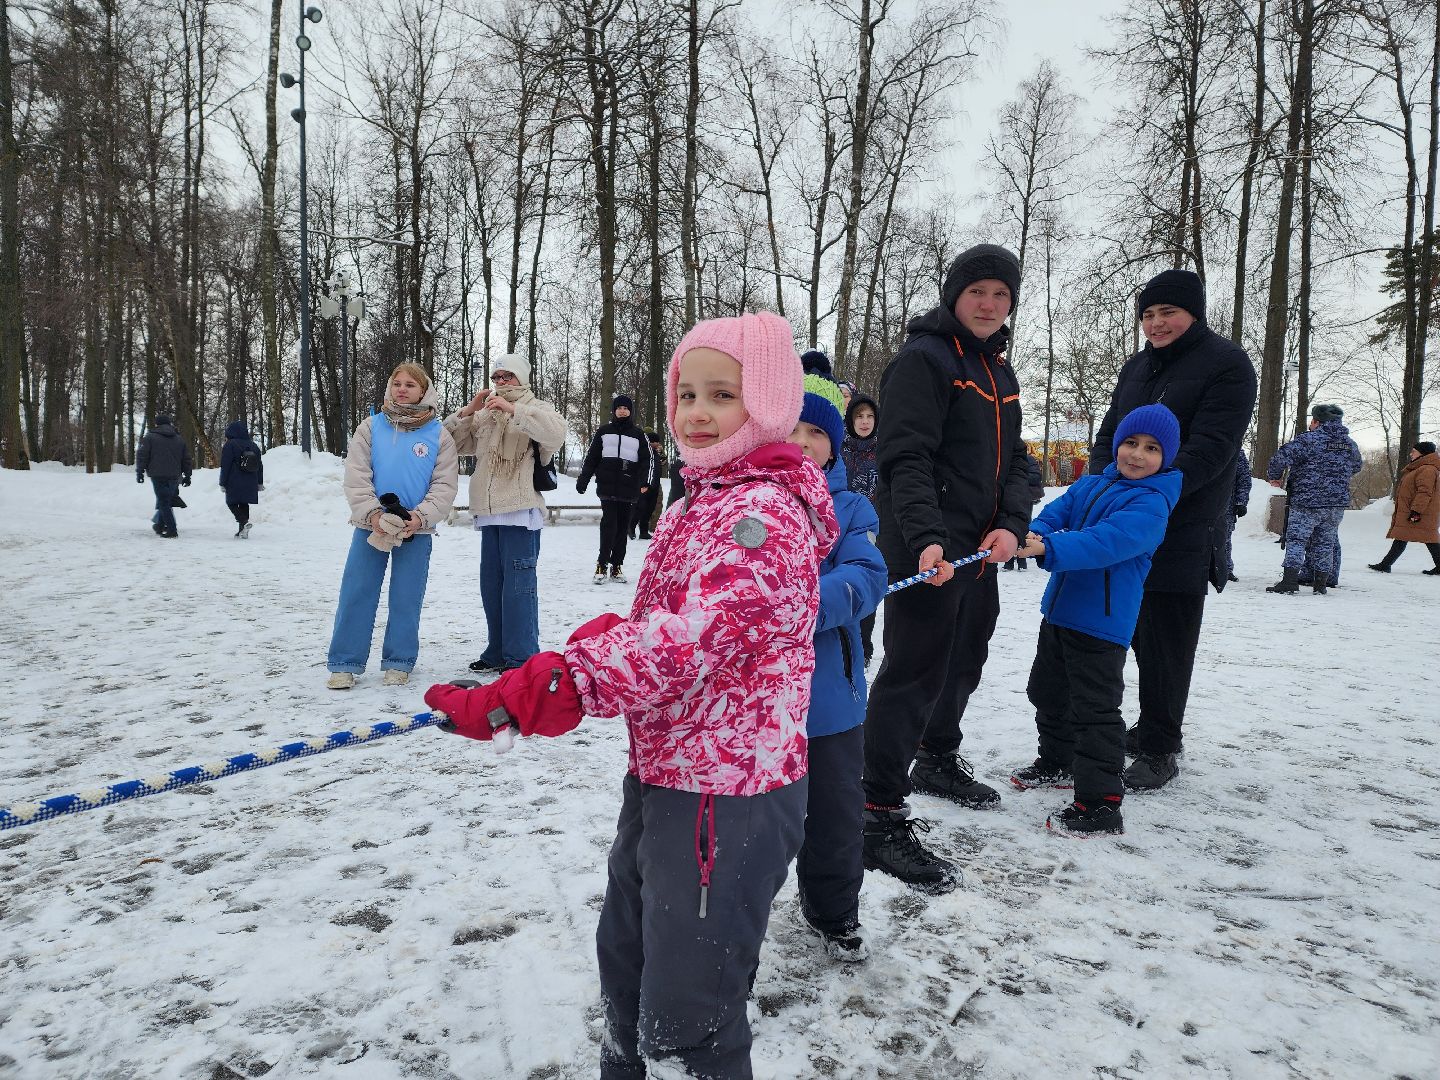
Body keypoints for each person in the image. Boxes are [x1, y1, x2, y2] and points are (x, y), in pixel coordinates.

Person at [424, 310, 838, 1079]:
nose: (697, 413)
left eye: (724, 394)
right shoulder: (700, 500)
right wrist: (574, 654)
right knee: (628, 967)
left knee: (689, 1015)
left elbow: (698, 636)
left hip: (729, 795)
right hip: (664, 775)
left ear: (773, 404)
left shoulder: (764, 514)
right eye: (686, 393)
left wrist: (566, 681)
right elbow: (659, 620)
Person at [861, 243, 1033, 892]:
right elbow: (905, 458)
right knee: (911, 675)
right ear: (954, 295)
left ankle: (934, 758)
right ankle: (876, 814)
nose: (989, 305)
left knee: (964, 661)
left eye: (1001, 295)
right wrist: (929, 538)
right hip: (927, 550)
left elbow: (1019, 462)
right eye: (977, 293)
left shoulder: (999, 372)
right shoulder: (924, 360)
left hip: (980, 552)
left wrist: (1011, 525)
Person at [1089, 268, 1256, 792]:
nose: (1156, 323)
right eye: (1148, 314)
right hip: (1124, 522)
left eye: (1168, 313)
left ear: (1194, 314)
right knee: (1130, 631)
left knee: (1167, 639)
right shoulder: (1136, 367)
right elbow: (1110, 432)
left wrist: (1152, 494)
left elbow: (1213, 444)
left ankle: (1161, 743)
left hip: (1182, 524)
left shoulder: (1228, 365)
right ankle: (1146, 726)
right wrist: (1098, 489)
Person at [1009, 404, 1183, 836]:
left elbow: (1106, 543)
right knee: (1047, 692)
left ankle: (1100, 803)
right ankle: (1057, 759)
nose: (1137, 454)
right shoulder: (1092, 484)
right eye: (1130, 443)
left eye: (1151, 448)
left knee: (1095, 712)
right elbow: (1057, 512)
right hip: (1060, 613)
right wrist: (1036, 532)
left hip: (1102, 625)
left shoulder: (1152, 503)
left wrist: (1049, 550)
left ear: (1167, 457)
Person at [788, 374, 886, 961]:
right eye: (792, 431)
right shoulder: (748, 500)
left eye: (815, 433)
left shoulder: (850, 508)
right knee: (751, 822)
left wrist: (796, 605)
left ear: (834, 444)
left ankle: (833, 912)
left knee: (833, 815)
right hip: (758, 700)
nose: (803, 442)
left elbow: (867, 576)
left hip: (830, 700)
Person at [325, 363, 458, 689]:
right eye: (396, 383)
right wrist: (372, 514)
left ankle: (399, 661)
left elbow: (444, 485)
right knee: (357, 591)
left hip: (416, 529)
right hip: (372, 526)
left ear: (424, 391)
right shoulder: (371, 428)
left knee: (406, 596)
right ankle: (345, 662)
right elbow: (357, 476)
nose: (402, 389)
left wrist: (421, 516)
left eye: (410, 385)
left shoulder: (438, 434)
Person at [445, 354, 568, 674]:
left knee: (518, 587)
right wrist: (470, 410)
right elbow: (452, 443)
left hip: (519, 508)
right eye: (497, 376)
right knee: (492, 585)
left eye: (507, 376)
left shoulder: (537, 407)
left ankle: (522, 656)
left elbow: (556, 434)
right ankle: (497, 650)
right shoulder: (485, 412)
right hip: (489, 512)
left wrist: (514, 410)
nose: (500, 382)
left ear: (521, 377)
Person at [1264, 404, 1362, 596]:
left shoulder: (1308, 440)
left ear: (1317, 422)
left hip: (1307, 501)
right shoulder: (1349, 444)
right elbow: (1357, 466)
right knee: (1326, 542)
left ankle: (1290, 581)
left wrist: (1274, 477)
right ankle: (1320, 584)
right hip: (1335, 503)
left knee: (1297, 539)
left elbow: (1280, 458)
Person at [576, 395, 652, 583]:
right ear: (614, 410)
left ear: (630, 411)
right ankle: (602, 564)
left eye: (626, 408)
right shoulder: (604, 432)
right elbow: (592, 457)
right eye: (619, 408)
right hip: (607, 486)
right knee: (609, 525)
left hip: (629, 489)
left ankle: (617, 566)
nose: (622, 411)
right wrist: (583, 479)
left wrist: (645, 482)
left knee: (622, 528)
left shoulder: (638, 435)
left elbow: (647, 461)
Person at [841, 392, 880, 664]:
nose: (864, 422)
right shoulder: (838, 448)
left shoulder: (885, 450)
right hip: (840, 527)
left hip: (872, 530)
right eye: (859, 416)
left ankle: (864, 647)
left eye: (869, 416)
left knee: (865, 584)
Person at [1368, 440, 1440, 575]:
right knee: (1406, 537)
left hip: (1420, 512)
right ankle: (1385, 564)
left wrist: (1416, 511)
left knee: (1428, 538)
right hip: (1415, 510)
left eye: (1414, 451)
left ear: (1422, 454)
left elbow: (1425, 492)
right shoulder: (1421, 468)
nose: (1411, 454)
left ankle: (1385, 564)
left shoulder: (1427, 469)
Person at [136, 414, 193, 539]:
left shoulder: (150, 437)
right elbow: (186, 459)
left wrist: (139, 472)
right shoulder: (179, 439)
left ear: (157, 424)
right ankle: (160, 525)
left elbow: (142, 455)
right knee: (166, 500)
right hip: (174, 475)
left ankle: (172, 530)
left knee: (163, 502)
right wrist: (187, 475)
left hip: (158, 474)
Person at [219, 420, 263, 538]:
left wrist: (222, 482)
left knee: (231, 502)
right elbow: (260, 465)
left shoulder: (230, 445)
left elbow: (225, 464)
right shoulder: (254, 445)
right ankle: (242, 531)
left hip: (234, 479)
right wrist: (259, 482)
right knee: (244, 503)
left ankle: (244, 522)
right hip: (251, 479)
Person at [1003, 453, 1046, 570]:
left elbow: (1036, 476)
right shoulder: (1006, 458)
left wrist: (1016, 478)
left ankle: (1022, 560)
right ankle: (1009, 560)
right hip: (1008, 497)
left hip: (1025, 498)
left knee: (1022, 527)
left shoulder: (1028, 459)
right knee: (1008, 526)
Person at [629, 431, 664, 540]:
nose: (657, 443)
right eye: (655, 442)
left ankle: (643, 531)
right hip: (643, 485)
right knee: (639, 508)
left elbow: (658, 467)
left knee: (649, 509)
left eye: (658, 441)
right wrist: (643, 483)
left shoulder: (656, 453)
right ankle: (630, 528)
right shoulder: (642, 452)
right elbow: (643, 469)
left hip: (654, 486)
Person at [1224, 448, 1251, 582]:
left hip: (1226, 504)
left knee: (1224, 538)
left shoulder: (1235, 450)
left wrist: (1241, 502)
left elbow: (1244, 478)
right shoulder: (1202, 444)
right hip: (1203, 503)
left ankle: (1225, 569)